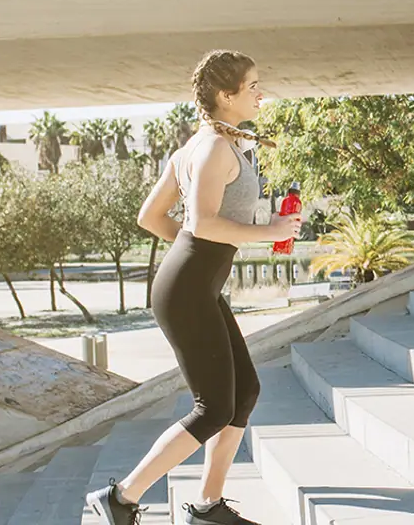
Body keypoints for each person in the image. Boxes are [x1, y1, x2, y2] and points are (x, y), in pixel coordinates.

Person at [85, 50, 302, 525]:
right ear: (226, 95)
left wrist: (194, 250)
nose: (260, 93)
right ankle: (119, 498)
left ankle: (207, 507)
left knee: (244, 392)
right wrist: (268, 232)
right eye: (252, 86)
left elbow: (151, 217)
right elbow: (202, 222)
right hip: (186, 289)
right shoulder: (213, 149)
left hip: (195, 283)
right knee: (213, 408)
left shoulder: (201, 147)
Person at [272, 183, 302, 256]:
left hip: (281, 236)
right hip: (287, 237)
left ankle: (280, 247)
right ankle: (286, 247)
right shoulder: (297, 202)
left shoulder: (286, 200)